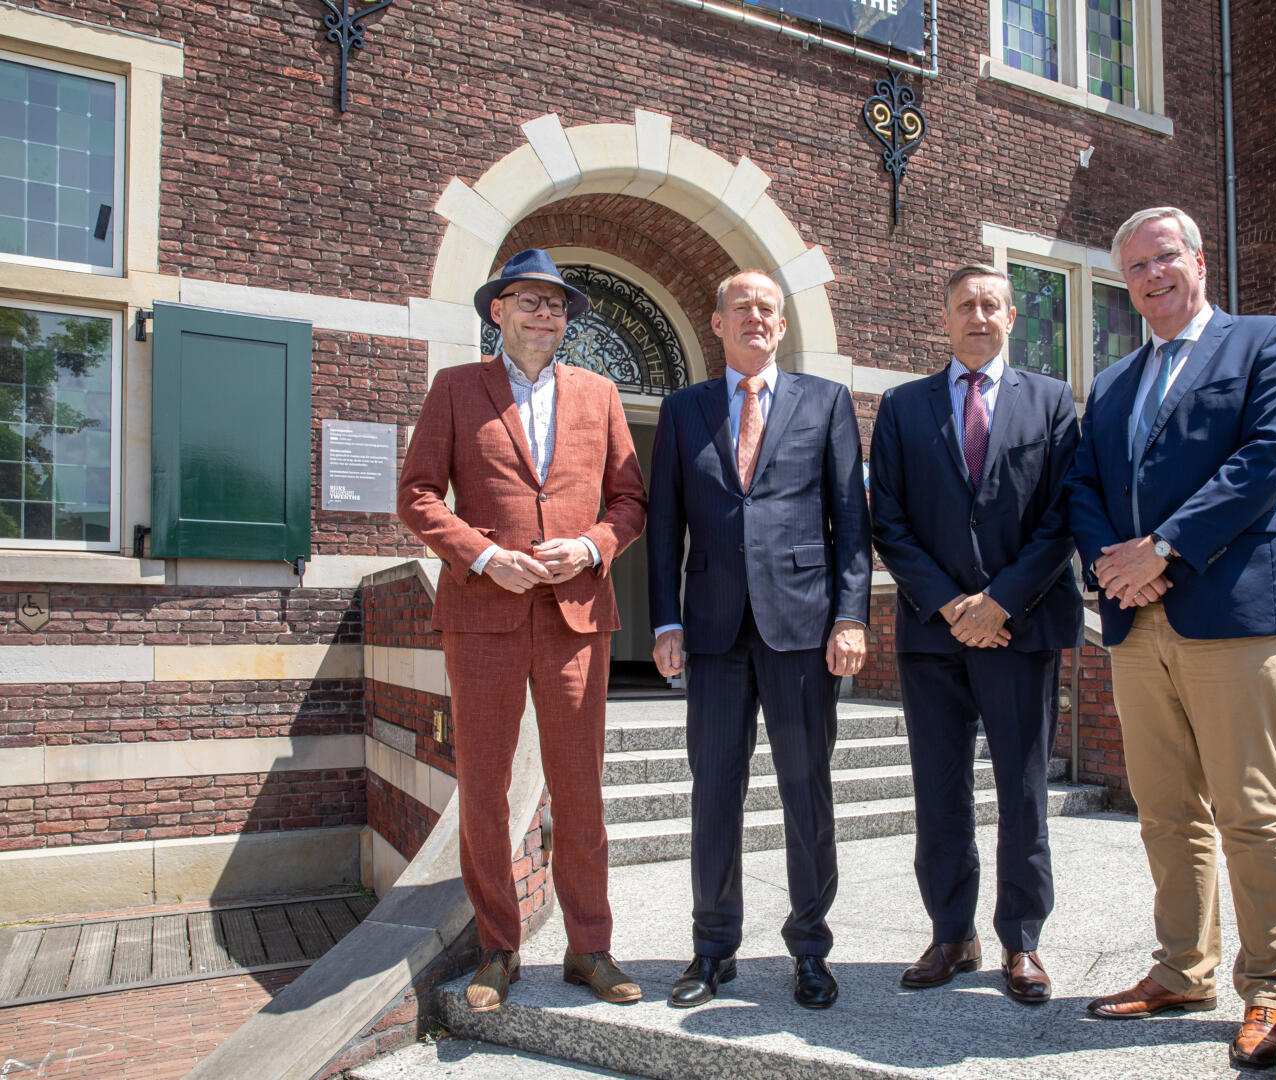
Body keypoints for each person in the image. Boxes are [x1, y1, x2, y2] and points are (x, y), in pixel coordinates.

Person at [1067, 207, 1276, 1069]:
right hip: (1136, 621)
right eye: (1134, 267)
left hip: (1232, 612)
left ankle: (1271, 985)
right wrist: (1117, 567)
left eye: (1163, 258)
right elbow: (1084, 481)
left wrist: (1164, 549)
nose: (1150, 276)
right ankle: (1182, 967)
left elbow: (1269, 456)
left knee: (1250, 805)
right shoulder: (1114, 381)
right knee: (1166, 809)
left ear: (1198, 260)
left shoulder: (1267, 343)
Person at [397, 248, 648, 1012]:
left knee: (580, 791)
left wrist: (593, 546)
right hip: (483, 617)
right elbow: (415, 495)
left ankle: (589, 948)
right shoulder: (453, 389)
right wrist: (481, 557)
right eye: (528, 300)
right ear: (496, 311)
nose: (545, 313)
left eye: (557, 304)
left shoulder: (601, 394)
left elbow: (630, 501)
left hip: (576, 617)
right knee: (483, 787)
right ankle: (498, 950)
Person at [646, 269, 870, 1010]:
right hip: (710, 632)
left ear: (781, 325)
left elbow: (850, 523)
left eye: (767, 309)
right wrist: (666, 619)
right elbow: (663, 527)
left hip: (803, 629)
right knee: (714, 793)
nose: (755, 317)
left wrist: (850, 616)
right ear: (716, 322)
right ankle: (713, 950)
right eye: (741, 306)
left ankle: (810, 947)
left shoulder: (825, 401)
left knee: (807, 794)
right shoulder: (683, 410)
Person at [867, 264, 1080, 1006]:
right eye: (965, 304)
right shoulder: (902, 408)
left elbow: (1063, 517)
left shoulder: (1053, 403)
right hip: (933, 633)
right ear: (946, 315)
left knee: (1022, 792)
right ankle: (952, 933)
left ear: (1013, 316)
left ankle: (1022, 941)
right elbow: (886, 519)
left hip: (1021, 631)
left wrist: (1001, 604)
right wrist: (954, 604)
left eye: (992, 304)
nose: (978, 315)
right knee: (939, 791)